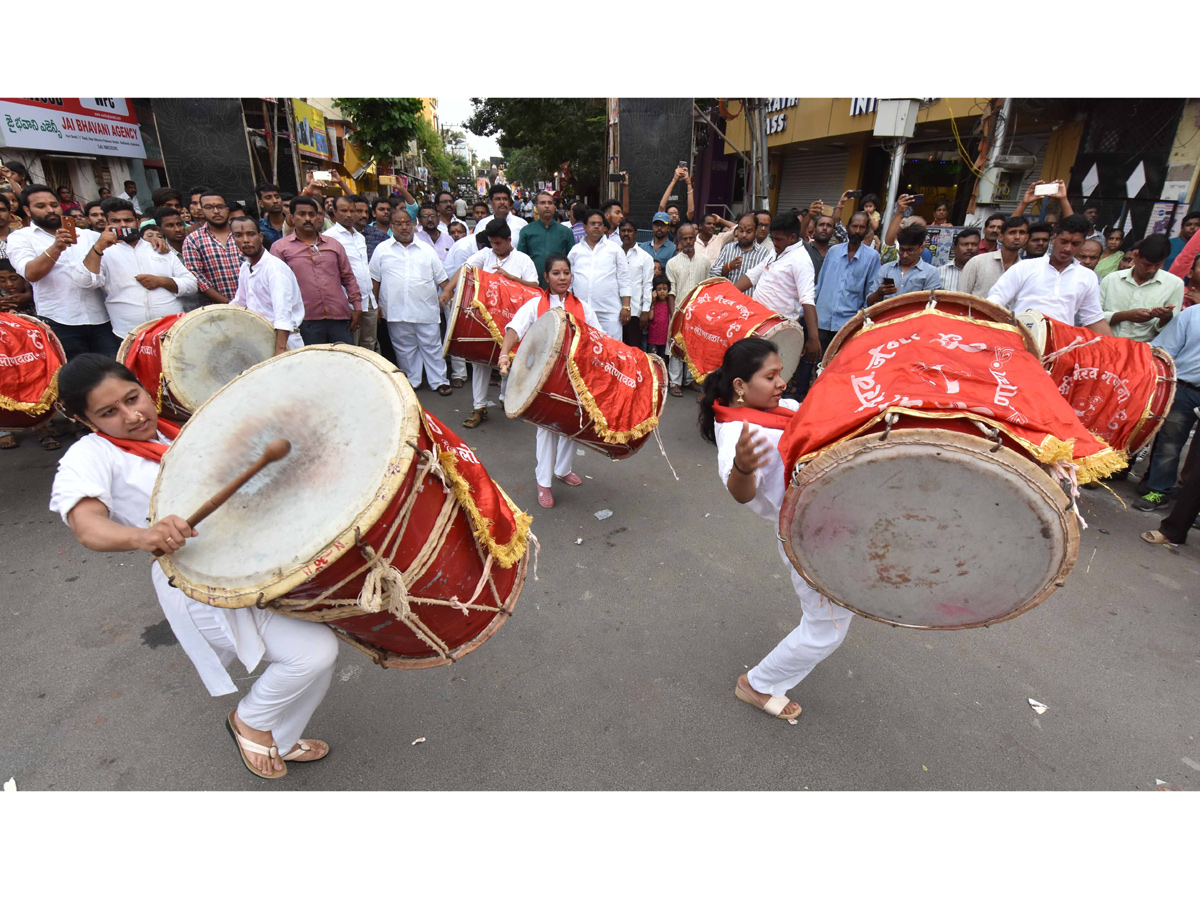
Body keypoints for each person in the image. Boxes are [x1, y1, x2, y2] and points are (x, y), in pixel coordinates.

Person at [49, 353, 338, 778]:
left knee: (317, 658)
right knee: (313, 653)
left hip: (250, 565)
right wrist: (143, 535)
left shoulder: (179, 432)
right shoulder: (89, 456)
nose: (131, 416)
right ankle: (250, 721)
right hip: (194, 583)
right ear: (86, 420)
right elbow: (87, 527)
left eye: (134, 398)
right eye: (109, 412)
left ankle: (283, 736)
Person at [698, 337, 852, 722]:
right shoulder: (736, 435)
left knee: (833, 618)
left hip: (830, 523)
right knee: (826, 629)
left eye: (781, 372)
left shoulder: (775, 407)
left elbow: (813, 416)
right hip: (806, 538)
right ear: (739, 386)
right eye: (771, 376)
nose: (782, 382)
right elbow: (739, 492)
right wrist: (744, 469)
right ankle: (758, 683)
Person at [497, 253, 602, 509]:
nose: (562, 277)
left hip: (575, 378)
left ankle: (562, 469)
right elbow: (514, 329)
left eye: (566, 272)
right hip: (543, 380)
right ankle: (543, 481)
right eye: (556, 273)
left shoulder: (583, 307)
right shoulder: (535, 305)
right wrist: (503, 353)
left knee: (571, 424)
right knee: (546, 430)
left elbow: (599, 338)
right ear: (546, 277)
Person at [442, 219, 538, 426]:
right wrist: (448, 289)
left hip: (512, 322)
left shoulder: (523, 260)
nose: (494, 247)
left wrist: (510, 278)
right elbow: (465, 269)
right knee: (480, 365)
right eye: (492, 243)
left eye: (498, 243)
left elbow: (534, 288)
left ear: (509, 240)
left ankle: (506, 399)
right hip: (484, 322)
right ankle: (479, 408)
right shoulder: (485, 254)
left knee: (509, 362)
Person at [7, 184, 115, 357]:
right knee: (75, 379)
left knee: (113, 373)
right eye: (41, 206)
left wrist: (154, 241)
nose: (50, 210)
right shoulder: (20, 238)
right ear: (27, 211)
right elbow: (31, 274)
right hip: (58, 322)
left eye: (54, 205)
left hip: (101, 318)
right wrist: (56, 247)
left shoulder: (88, 236)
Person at [71, 198, 197, 340]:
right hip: (128, 334)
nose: (123, 225)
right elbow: (84, 282)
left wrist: (162, 281)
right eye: (116, 221)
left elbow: (192, 285)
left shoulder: (157, 248)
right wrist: (99, 247)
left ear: (137, 222)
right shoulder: (100, 252)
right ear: (107, 224)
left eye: (128, 220)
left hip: (170, 330)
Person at [987, 215, 1115, 336]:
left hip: (1059, 346)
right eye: (1064, 241)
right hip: (1019, 339)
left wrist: (1116, 349)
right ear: (1054, 239)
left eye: (1075, 244)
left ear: (1082, 244)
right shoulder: (1025, 267)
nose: (1067, 248)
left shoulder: (1087, 277)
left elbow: (1094, 319)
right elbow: (996, 300)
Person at [368, 208, 451, 394]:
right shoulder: (382, 250)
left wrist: (448, 295)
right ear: (391, 227)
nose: (404, 227)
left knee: (432, 348)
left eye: (408, 223)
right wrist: (376, 306)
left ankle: (439, 381)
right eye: (399, 223)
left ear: (414, 225)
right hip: (396, 310)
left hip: (426, 310)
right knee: (405, 350)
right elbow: (374, 280)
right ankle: (412, 381)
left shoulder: (427, 250)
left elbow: (442, 280)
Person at [270, 196, 361, 346]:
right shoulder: (280, 248)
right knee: (313, 365)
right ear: (292, 218)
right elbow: (277, 286)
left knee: (345, 362)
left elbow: (348, 277)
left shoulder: (334, 245)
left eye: (312, 214)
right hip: (305, 321)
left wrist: (357, 307)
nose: (308, 219)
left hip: (339, 317)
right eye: (302, 214)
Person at [1135, 304, 1200, 511]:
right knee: (1169, 443)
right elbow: (1166, 350)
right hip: (1185, 388)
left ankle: (1195, 505)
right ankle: (1158, 490)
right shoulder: (1193, 314)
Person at [230, 217, 305, 354]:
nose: (246, 240)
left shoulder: (275, 269)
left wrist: (280, 351)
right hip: (259, 340)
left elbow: (283, 313)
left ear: (260, 236)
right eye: (239, 236)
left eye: (251, 234)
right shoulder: (245, 267)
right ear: (233, 239)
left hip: (284, 341)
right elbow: (239, 303)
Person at [812, 211, 880, 351]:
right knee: (815, 365)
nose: (857, 231)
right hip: (821, 321)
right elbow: (820, 285)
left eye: (861, 227)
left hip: (847, 325)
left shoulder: (872, 257)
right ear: (847, 227)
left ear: (867, 230)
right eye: (854, 226)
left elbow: (870, 293)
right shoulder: (833, 251)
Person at [1099, 234, 1182, 343]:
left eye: (1157, 265)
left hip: (1142, 351)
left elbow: (1171, 331)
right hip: (1104, 343)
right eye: (1147, 265)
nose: (1152, 270)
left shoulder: (1175, 285)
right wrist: (1125, 315)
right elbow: (1093, 317)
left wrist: (1165, 317)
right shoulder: (1111, 279)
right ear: (1135, 255)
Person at [324, 194, 377, 353]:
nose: (349, 215)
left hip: (368, 299)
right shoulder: (329, 238)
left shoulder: (360, 237)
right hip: (348, 301)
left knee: (369, 342)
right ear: (334, 212)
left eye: (352, 211)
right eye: (344, 211)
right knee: (351, 346)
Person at [567, 208, 630, 340]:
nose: (596, 226)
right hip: (581, 311)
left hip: (610, 312)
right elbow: (569, 280)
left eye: (599, 224)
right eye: (592, 223)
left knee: (612, 352)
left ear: (604, 227)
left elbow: (624, 278)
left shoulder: (614, 249)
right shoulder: (575, 251)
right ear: (584, 227)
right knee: (583, 351)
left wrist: (626, 306)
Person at [180, 191, 243, 305]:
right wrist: (228, 303)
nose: (216, 211)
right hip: (217, 310)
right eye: (209, 207)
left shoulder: (242, 233)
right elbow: (198, 277)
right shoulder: (193, 240)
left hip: (254, 305)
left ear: (227, 209)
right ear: (202, 211)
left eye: (220, 206)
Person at [867, 223, 941, 305]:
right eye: (901, 250)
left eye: (910, 250)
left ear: (921, 248)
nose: (905, 255)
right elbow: (869, 303)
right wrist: (879, 293)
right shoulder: (886, 269)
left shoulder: (931, 273)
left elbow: (932, 306)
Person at [517, 191, 575, 289]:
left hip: (559, 286)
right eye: (543, 203)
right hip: (533, 285)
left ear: (554, 207)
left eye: (550, 203)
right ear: (536, 207)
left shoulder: (566, 232)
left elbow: (572, 261)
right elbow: (520, 260)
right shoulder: (526, 231)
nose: (547, 206)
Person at [959, 216, 1028, 298]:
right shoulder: (977, 262)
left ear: (1026, 238)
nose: (1017, 237)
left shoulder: (1026, 270)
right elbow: (960, 297)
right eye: (1012, 232)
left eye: (1022, 233)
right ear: (1001, 237)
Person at [710, 213, 774, 296]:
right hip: (727, 300)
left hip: (749, 304)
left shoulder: (764, 254)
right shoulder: (728, 248)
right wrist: (728, 267)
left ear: (756, 231)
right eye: (741, 231)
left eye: (748, 232)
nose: (744, 235)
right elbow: (712, 274)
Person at [618, 219, 654, 349]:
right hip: (614, 310)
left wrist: (645, 311)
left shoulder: (645, 257)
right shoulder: (614, 254)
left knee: (633, 351)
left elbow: (647, 285)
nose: (626, 234)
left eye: (630, 231)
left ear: (636, 234)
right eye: (623, 231)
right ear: (619, 233)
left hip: (635, 312)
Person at [936, 227, 981, 292]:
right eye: (965, 244)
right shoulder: (939, 272)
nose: (970, 248)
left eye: (974, 244)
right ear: (954, 249)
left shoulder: (985, 272)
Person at [646, 274, 671, 358]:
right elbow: (650, 317)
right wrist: (652, 303)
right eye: (659, 289)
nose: (662, 292)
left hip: (665, 340)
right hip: (653, 339)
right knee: (653, 361)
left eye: (664, 289)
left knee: (663, 361)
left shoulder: (669, 304)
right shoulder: (654, 303)